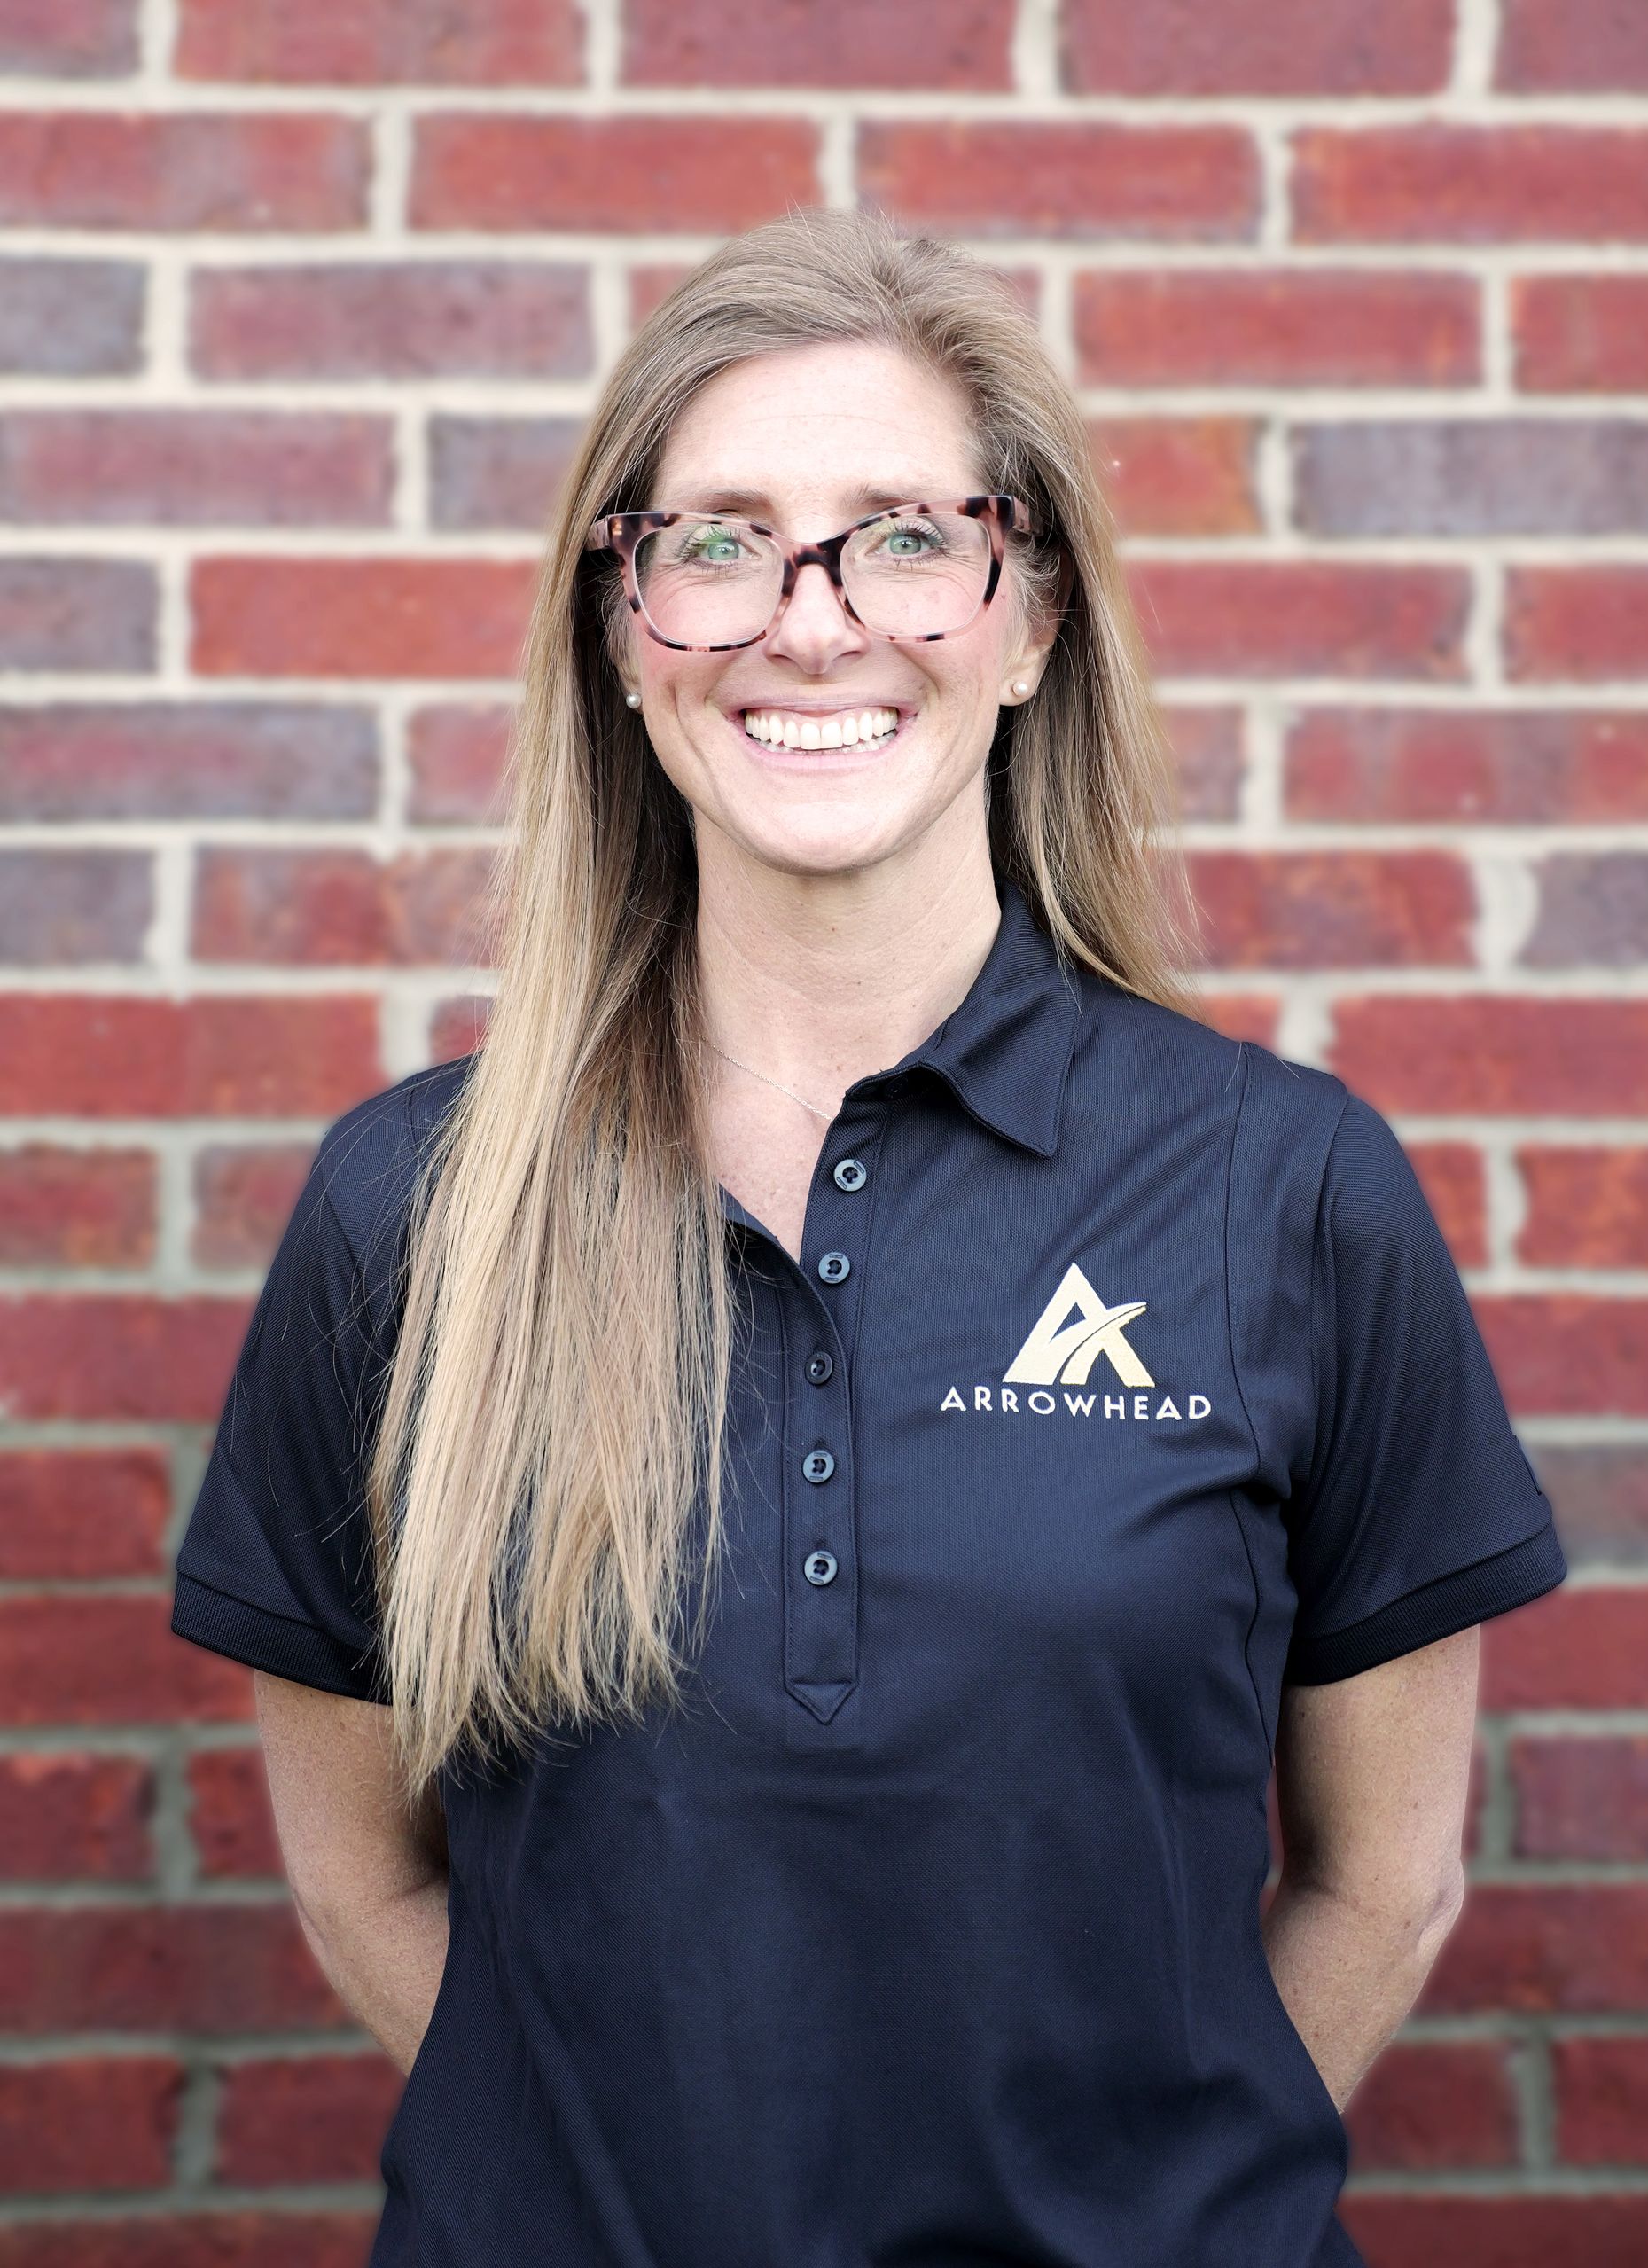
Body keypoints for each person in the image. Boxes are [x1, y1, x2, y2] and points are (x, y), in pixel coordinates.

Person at [168, 206, 1567, 2268]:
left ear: (1031, 618)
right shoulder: (414, 1209)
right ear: (623, 628)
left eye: (905, 536)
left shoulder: (1288, 1186)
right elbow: (361, 1879)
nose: (811, 623)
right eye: (718, 542)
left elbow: (1387, 1879)